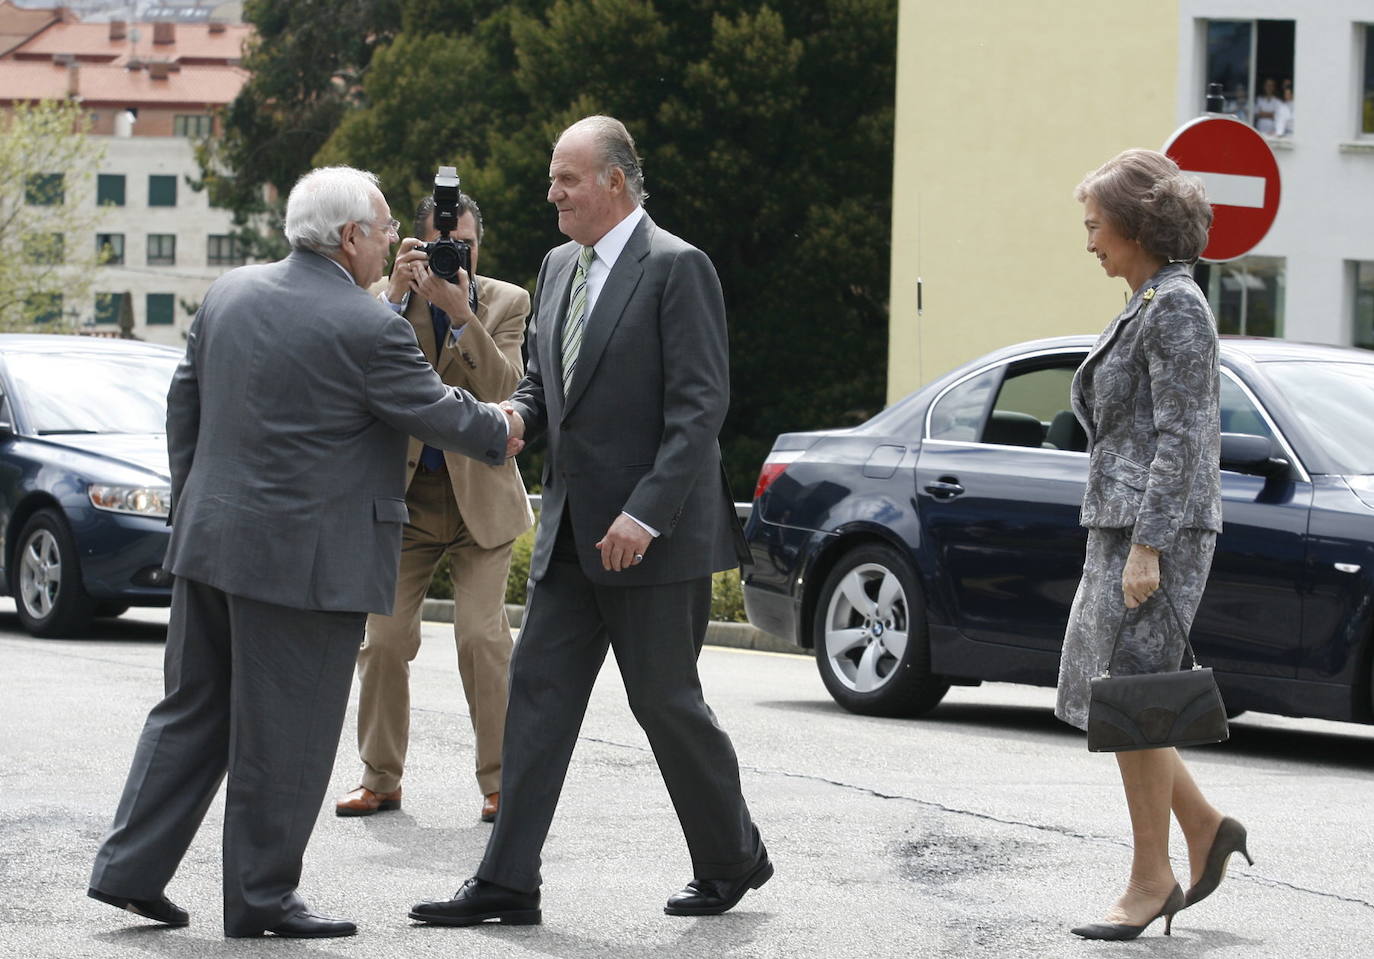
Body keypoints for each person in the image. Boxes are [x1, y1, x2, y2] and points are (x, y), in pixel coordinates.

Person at [87, 166, 521, 940]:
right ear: (351, 236)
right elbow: (436, 410)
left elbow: (182, 408)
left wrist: (195, 513)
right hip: (306, 567)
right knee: (285, 734)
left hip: (210, 548)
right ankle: (260, 898)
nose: (395, 241)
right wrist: (504, 426)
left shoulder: (228, 294)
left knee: (190, 711)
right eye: (386, 228)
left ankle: (130, 870)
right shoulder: (369, 326)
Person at [408, 115, 766, 928]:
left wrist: (647, 510)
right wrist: (509, 415)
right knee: (535, 697)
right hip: (570, 531)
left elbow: (699, 410)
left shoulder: (679, 268)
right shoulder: (557, 266)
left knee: (666, 704)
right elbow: (545, 383)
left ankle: (731, 857)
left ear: (614, 181)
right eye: (551, 177)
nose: (552, 192)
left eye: (566, 178)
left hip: (653, 538)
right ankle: (508, 881)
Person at [1058, 149, 1251, 941]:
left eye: (1097, 226)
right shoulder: (1148, 300)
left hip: (1153, 533)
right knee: (1128, 694)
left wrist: (1150, 546)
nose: (1090, 241)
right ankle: (1205, 829)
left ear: (1138, 225)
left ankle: (1153, 876)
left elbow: (1185, 438)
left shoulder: (1176, 307)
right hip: (1128, 526)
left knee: (1135, 699)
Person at [335, 190, 532, 823]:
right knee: (385, 639)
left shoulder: (508, 301)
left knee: (481, 637)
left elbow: (507, 390)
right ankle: (380, 777)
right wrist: (396, 295)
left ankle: (502, 782)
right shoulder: (382, 304)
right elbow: (357, 370)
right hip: (406, 502)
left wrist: (461, 314)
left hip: (482, 502)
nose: (457, 255)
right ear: (413, 247)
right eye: (444, 245)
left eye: (467, 244)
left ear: (480, 244)